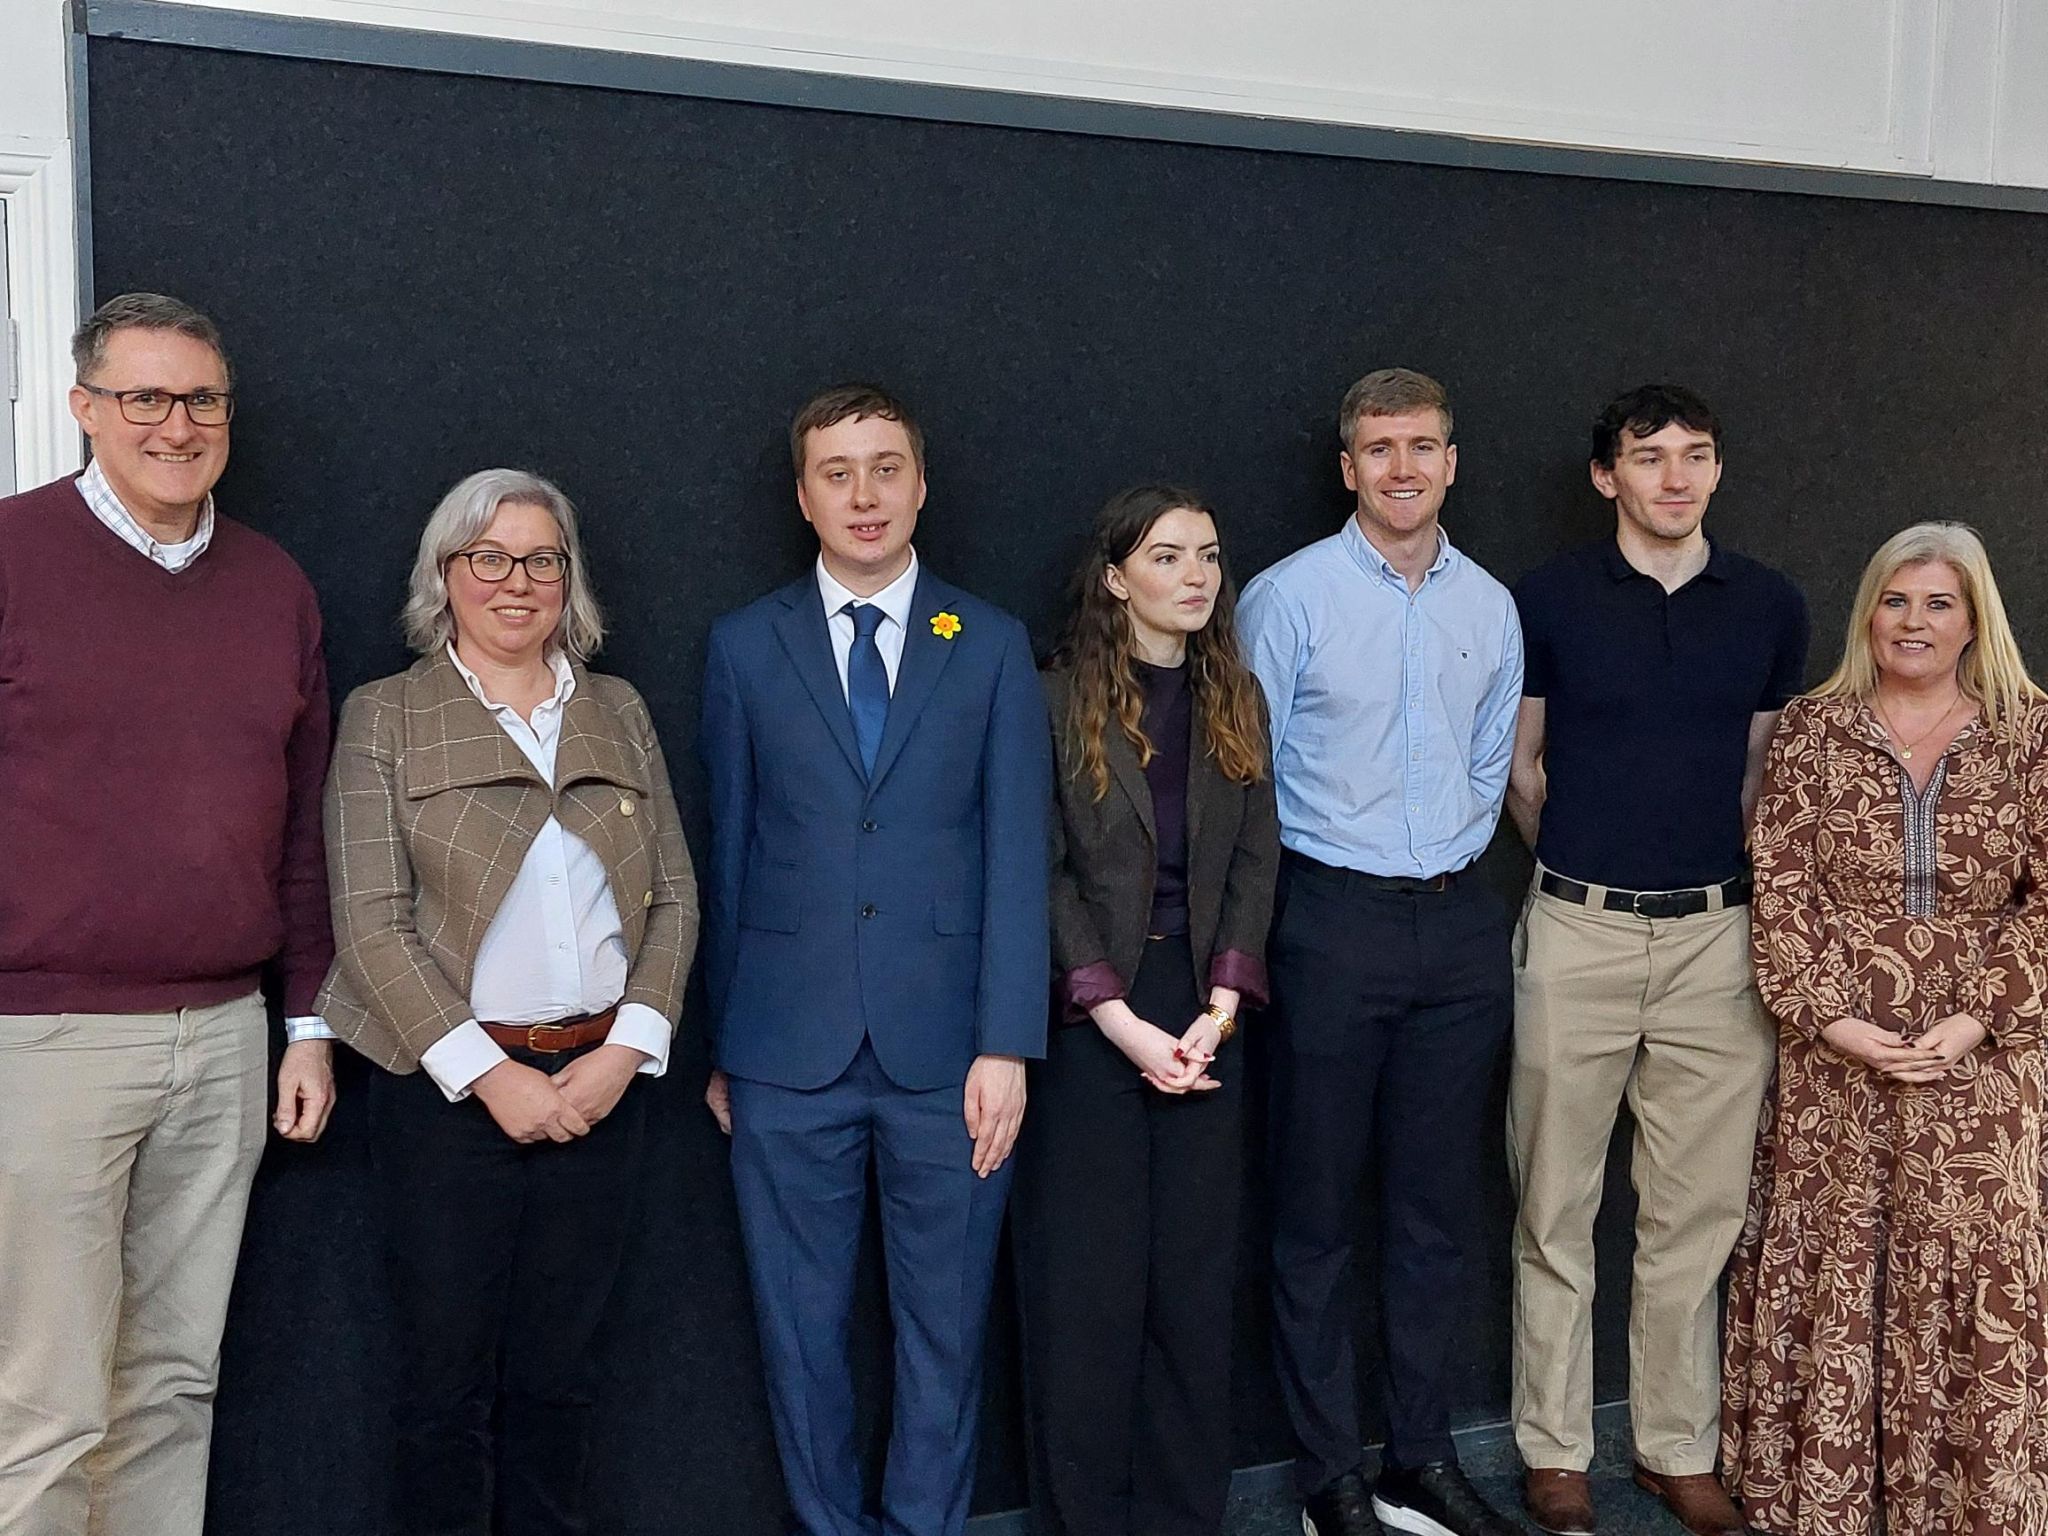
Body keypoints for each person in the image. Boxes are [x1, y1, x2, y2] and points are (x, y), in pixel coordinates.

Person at [0, 293, 336, 1536]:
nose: (175, 424)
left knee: (171, 1388)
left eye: (199, 398)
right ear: (85, 409)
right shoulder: (12, 554)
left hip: (225, 1041)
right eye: (144, 396)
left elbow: (302, 827)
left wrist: (304, 1022)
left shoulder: (273, 587)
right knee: (42, 1405)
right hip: (40, 1044)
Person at [698, 383, 1051, 1536]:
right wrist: (724, 1041)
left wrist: (1007, 1040)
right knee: (798, 1334)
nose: (864, 494)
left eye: (885, 467)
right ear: (802, 496)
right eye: (837, 472)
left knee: (943, 1333)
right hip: (782, 1055)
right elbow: (729, 851)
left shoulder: (987, 643)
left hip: (949, 1057)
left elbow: (1014, 853)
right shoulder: (744, 646)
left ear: (921, 485)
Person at [318, 468, 697, 1536]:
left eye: (541, 558)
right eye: (488, 557)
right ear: (446, 575)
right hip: (446, 1106)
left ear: (567, 578)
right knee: (443, 1395)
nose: (515, 582)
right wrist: (492, 1081)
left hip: (597, 1090)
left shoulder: (616, 709)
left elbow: (673, 895)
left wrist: (624, 1055)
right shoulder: (386, 717)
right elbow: (370, 924)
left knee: (561, 1387)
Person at [1503, 386, 1808, 1536]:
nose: (1672, 478)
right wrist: (1588, 876)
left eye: (1694, 457)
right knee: (1552, 1202)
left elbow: (1758, 776)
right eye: (1647, 458)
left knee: (1695, 1212)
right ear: (1604, 477)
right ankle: (1553, 1450)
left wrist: (1694, 888)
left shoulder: (1768, 603)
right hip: (1575, 926)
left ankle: (1676, 1449)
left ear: (1717, 472)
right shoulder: (1545, 598)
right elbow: (1519, 769)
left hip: (1716, 937)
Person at [1238, 368, 1524, 1536]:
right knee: (1311, 1215)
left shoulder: (1489, 606)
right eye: (1376, 448)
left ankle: (1417, 1457)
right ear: (1345, 466)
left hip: (1458, 925)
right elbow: (1238, 776)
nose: (1400, 467)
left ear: (1452, 460)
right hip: (1326, 922)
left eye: (1421, 445)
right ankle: (1326, 1480)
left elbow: (1492, 759)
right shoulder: (1286, 597)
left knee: (1432, 1214)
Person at [1724, 522, 2048, 1536]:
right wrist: (1830, 1020)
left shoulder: (2027, 732)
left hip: (1983, 1055)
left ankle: (1965, 1505)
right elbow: (1777, 885)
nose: (1912, 622)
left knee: (1971, 1265)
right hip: (1837, 1059)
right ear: (1867, 611)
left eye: (1937, 604)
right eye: (1894, 601)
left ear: (1970, 621)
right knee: (1839, 1258)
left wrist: (1973, 1019)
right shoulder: (1814, 729)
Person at [1014, 484, 1280, 1536]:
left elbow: (1256, 860)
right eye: (1167, 557)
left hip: (1206, 1013)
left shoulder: (1235, 697)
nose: (1196, 576)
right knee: (1089, 1298)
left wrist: (1219, 1006)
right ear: (1116, 576)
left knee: (1191, 1291)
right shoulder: (1049, 698)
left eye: (1208, 555)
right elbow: (1035, 875)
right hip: (1091, 1022)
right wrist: (1117, 1021)